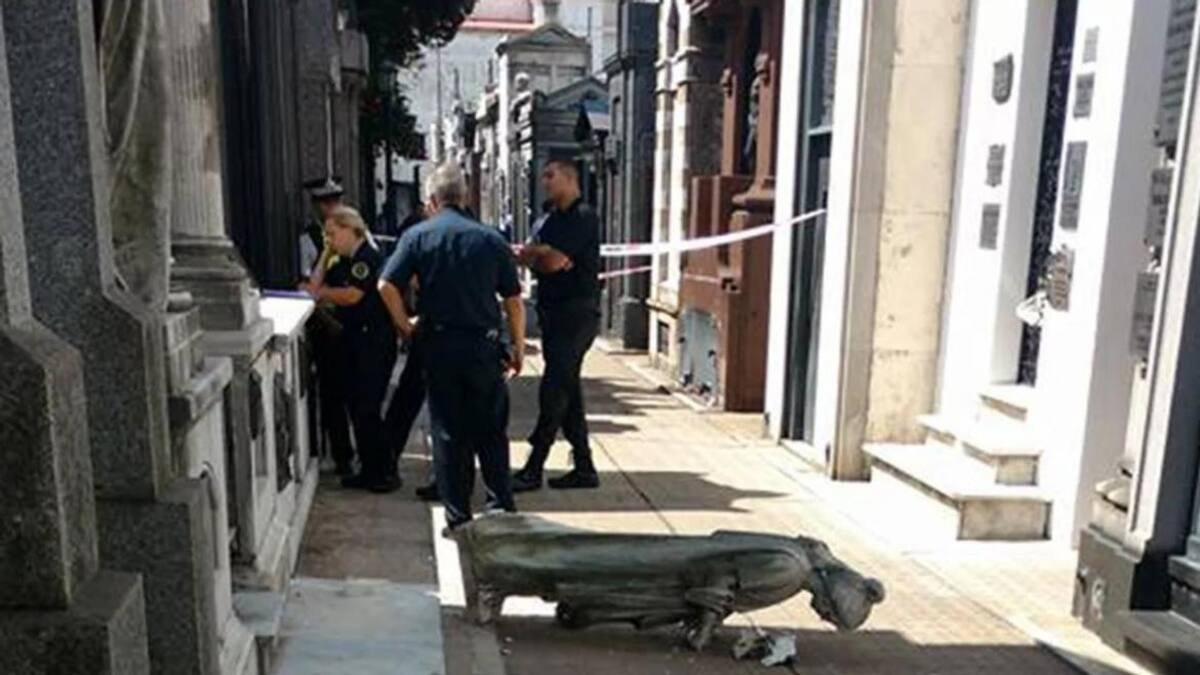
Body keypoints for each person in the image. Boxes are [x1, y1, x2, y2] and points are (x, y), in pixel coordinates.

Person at [379, 162, 525, 530]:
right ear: (465, 197)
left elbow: (386, 286)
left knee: (448, 430)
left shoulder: (418, 236)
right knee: (490, 428)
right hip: (483, 346)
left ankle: (458, 516)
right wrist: (519, 347)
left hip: (439, 343)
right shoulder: (491, 239)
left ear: (431, 201)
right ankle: (499, 506)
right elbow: (513, 300)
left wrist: (405, 327)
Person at [511, 160, 602, 493]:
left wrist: (541, 255)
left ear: (569, 178)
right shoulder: (548, 219)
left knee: (553, 389)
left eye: (551, 175)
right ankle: (584, 465)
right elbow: (528, 256)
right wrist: (540, 253)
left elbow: (550, 261)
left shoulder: (583, 217)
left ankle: (534, 466)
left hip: (577, 315)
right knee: (568, 390)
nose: (545, 182)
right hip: (552, 313)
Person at [304, 206, 401, 493]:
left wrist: (320, 295)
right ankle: (369, 470)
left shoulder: (366, 259)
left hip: (374, 343)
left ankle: (386, 471)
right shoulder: (340, 263)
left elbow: (352, 295)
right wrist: (324, 254)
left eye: (333, 234)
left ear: (351, 230)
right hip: (354, 344)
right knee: (357, 409)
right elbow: (315, 284)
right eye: (327, 236)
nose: (330, 240)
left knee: (368, 408)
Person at [300, 177, 355, 475]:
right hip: (328, 324)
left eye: (336, 200)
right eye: (327, 202)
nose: (333, 206)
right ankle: (342, 455)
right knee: (332, 393)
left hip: (355, 322)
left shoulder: (357, 232)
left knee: (357, 393)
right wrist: (328, 320)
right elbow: (309, 285)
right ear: (318, 206)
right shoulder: (309, 238)